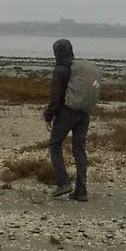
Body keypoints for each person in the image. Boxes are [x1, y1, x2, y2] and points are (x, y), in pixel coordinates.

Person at [43, 38, 90, 201]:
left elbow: (56, 97)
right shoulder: (78, 69)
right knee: (79, 149)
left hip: (67, 113)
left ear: (56, 52)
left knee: (55, 145)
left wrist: (48, 116)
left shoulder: (60, 70)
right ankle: (81, 191)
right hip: (84, 112)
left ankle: (63, 183)